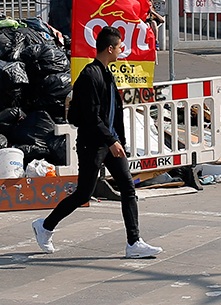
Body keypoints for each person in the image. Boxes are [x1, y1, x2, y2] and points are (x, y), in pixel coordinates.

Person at [32, 25, 163, 259]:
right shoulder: (89, 75)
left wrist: (119, 140)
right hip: (93, 144)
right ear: (110, 48)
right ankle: (45, 226)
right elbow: (91, 116)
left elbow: (113, 111)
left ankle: (134, 242)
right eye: (120, 47)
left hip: (110, 142)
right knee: (83, 193)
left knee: (128, 188)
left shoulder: (106, 73)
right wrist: (112, 140)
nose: (122, 50)